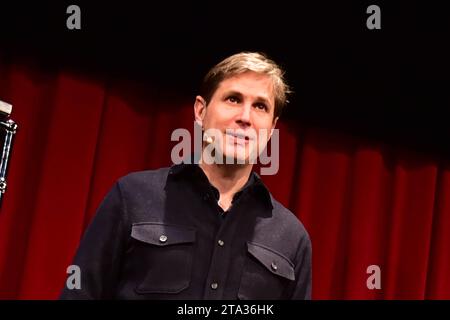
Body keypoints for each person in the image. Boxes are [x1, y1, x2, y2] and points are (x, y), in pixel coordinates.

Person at [60, 52, 312, 300]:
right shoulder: (131, 197)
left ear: (271, 129)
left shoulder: (292, 238)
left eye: (260, 106)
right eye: (233, 99)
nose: (245, 117)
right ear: (200, 111)